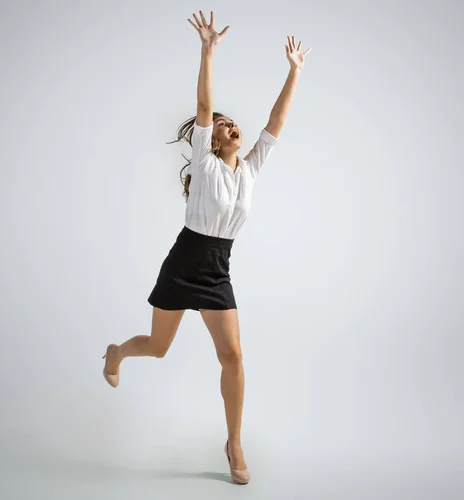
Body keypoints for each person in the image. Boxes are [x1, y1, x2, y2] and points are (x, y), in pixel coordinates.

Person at [102, 10, 311, 486]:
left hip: (218, 269)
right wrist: (207, 50)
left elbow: (276, 122)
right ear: (211, 139)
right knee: (158, 348)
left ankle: (234, 444)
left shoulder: (251, 168)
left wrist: (294, 71)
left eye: (233, 122)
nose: (231, 125)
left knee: (233, 358)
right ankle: (116, 353)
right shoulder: (205, 160)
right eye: (222, 125)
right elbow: (204, 103)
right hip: (183, 262)